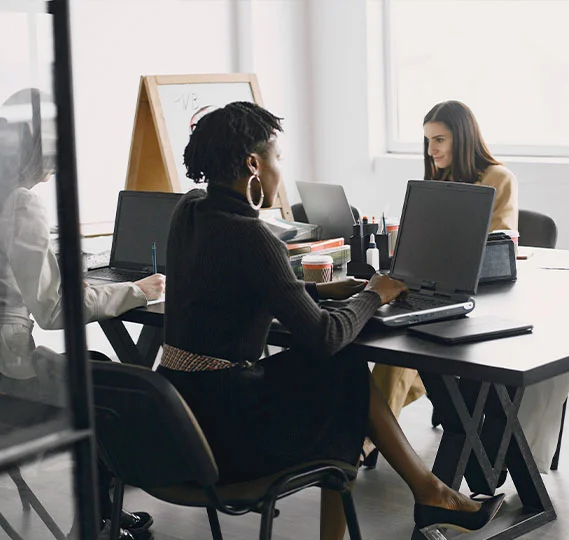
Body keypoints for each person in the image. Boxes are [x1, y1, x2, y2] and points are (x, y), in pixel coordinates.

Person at [157, 101, 504, 540]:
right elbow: (324, 336)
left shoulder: (188, 211)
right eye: (277, 158)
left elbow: (227, 288)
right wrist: (372, 295)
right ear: (252, 164)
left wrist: (318, 291)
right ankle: (431, 494)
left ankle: (431, 492)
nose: (280, 168)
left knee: (337, 372)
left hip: (178, 413)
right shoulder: (252, 238)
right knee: (340, 369)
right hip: (228, 433)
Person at [0, 89, 164, 539]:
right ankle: (96, 519)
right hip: (9, 380)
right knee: (106, 383)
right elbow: (54, 309)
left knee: (97, 371)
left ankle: (104, 510)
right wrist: (136, 290)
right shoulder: (20, 202)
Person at [366, 100, 519, 463]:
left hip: (480, 298)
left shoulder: (499, 178)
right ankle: (368, 433)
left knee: (399, 355)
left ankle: (367, 439)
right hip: (434, 288)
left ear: (462, 139)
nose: (431, 149)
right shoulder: (440, 178)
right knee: (390, 342)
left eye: (439, 140)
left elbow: (502, 243)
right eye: (427, 141)